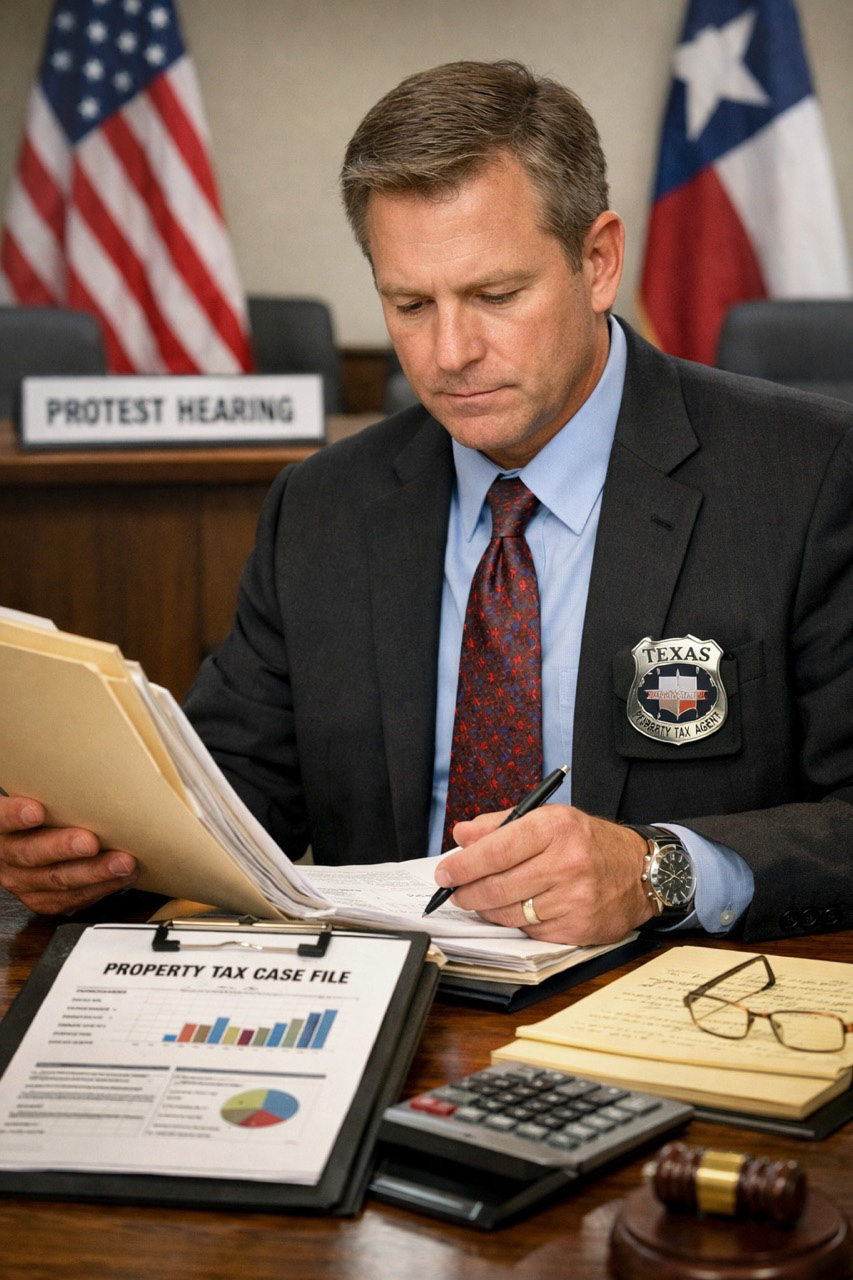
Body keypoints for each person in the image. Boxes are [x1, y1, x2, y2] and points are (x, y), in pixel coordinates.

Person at [1, 60, 851, 943]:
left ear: (597, 262)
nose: (449, 353)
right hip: (388, 994)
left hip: (674, 990)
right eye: (409, 304)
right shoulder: (324, 506)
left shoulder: (808, 475)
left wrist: (656, 871)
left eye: (495, 296)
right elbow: (223, 800)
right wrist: (85, 855)